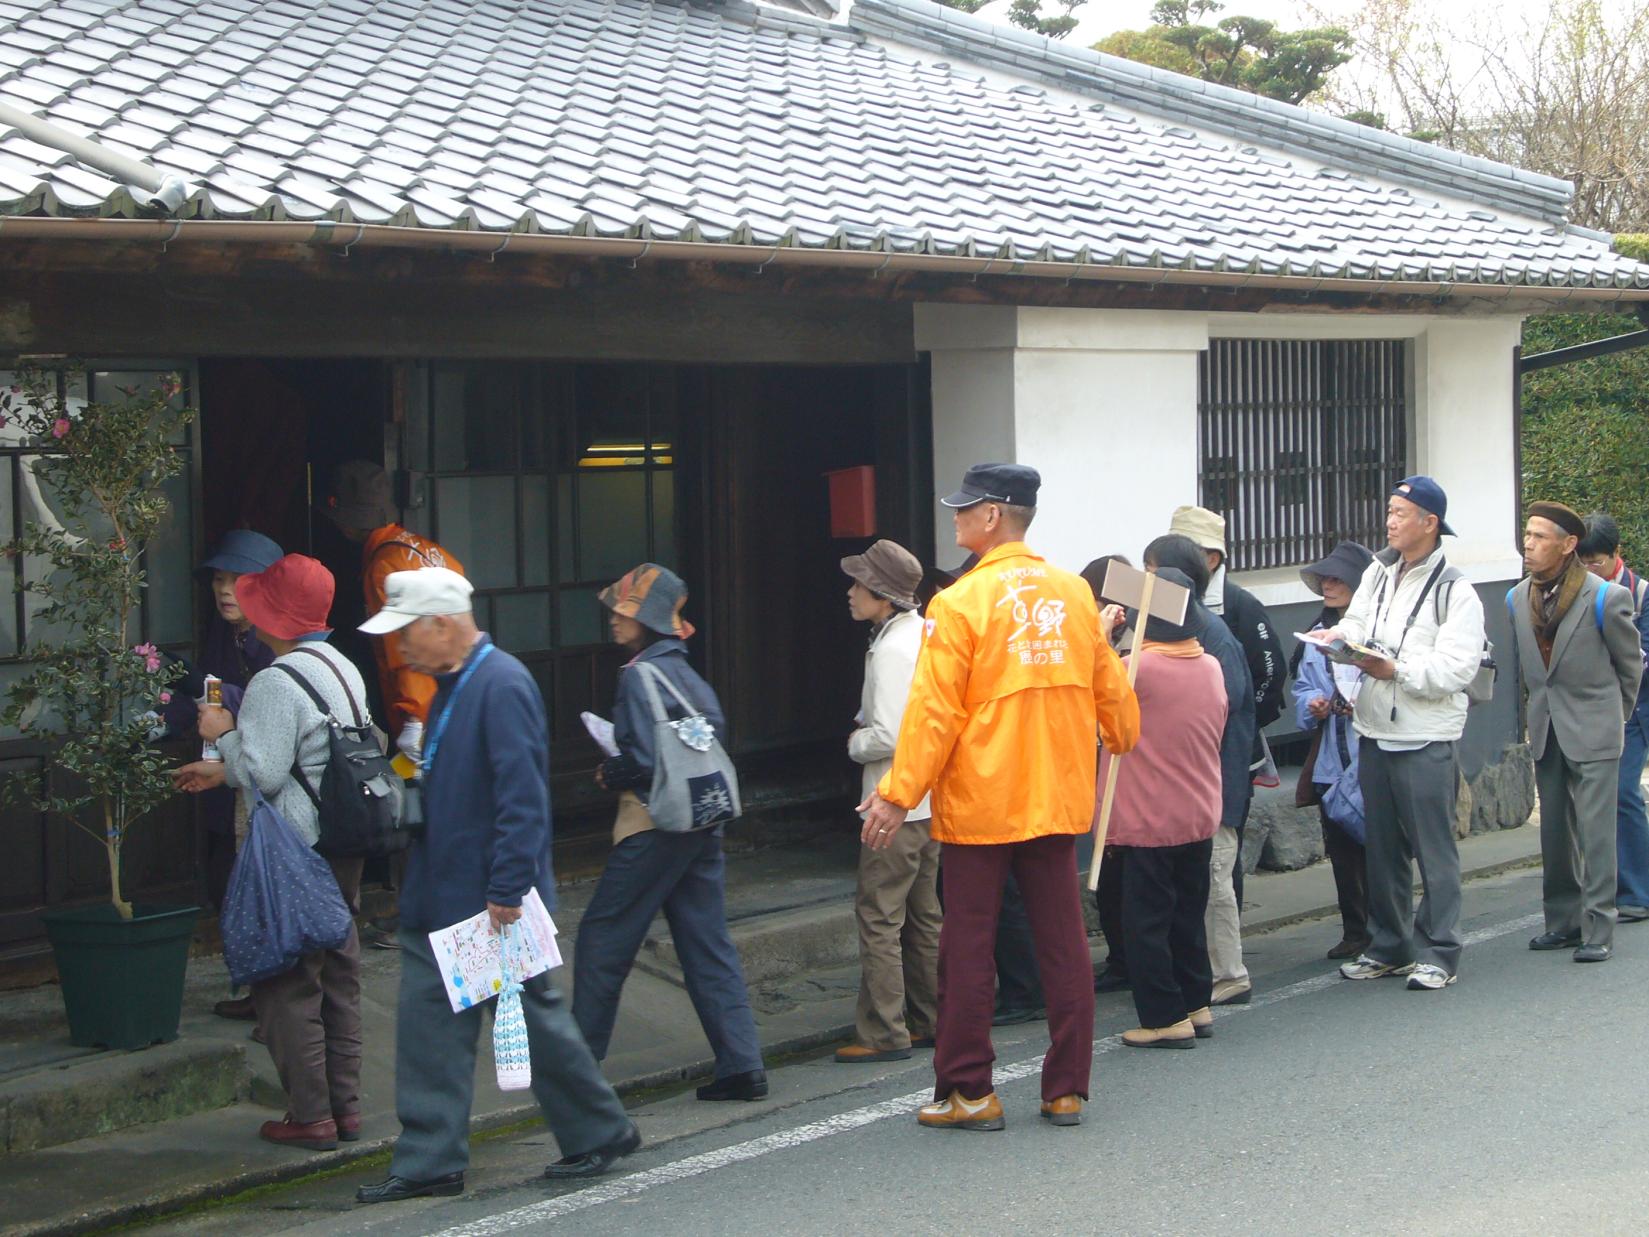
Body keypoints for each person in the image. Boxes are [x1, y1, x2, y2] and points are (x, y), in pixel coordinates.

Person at [861, 463, 1140, 1131]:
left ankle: (968, 1089)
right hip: (1055, 795)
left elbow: (934, 714)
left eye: (963, 509)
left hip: (982, 803)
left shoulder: (957, 603)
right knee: (1064, 942)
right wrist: (1115, 731)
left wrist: (898, 793)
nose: (953, 519)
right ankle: (1065, 1087)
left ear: (991, 516)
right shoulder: (1073, 594)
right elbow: (1118, 712)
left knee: (966, 948)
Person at [353, 567, 637, 1203]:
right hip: (449, 891)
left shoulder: (499, 682)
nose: (399, 648)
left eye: (407, 634)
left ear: (442, 624)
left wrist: (508, 889)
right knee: (437, 1027)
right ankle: (433, 1159)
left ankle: (594, 1131)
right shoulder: (460, 681)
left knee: (528, 1020)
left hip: (486, 897)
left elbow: (523, 798)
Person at [172, 554, 369, 1151]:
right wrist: (221, 768)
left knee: (286, 981)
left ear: (273, 616)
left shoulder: (275, 681)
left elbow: (262, 768)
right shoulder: (342, 665)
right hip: (344, 842)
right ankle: (347, 1107)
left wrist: (221, 733)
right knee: (339, 975)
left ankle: (311, 1115)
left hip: (294, 848)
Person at [573, 564, 768, 1102]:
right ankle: (742, 1064)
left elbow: (641, 761)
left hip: (652, 826)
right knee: (706, 942)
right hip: (702, 822)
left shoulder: (639, 676)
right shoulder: (690, 675)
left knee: (601, 938)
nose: (614, 620)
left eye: (624, 612)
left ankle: (578, 1078)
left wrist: (610, 770)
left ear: (648, 622)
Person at [1324, 476, 1486, 992]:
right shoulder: (1377, 572)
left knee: (1433, 849)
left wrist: (1395, 671)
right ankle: (1389, 946)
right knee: (1383, 847)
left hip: (1425, 735)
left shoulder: (1455, 591)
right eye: (1389, 511)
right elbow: (1355, 622)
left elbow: (1456, 669)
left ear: (1429, 522)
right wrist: (1338, 639)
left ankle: (1440, 950)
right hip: (1374, 727)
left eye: (1400, 512)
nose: (1390, 521)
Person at [317, 461, 466, 949]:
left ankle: (419, 917)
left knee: (410, 807)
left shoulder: (385, 564)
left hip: (418, 716)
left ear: (348, 520)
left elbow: (407, 649)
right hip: (450, 700)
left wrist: (412, 719)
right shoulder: (429, 551)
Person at [1508, 502, 1644, 963]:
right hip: (1547, 726)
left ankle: (1599, 926)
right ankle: (1562, 923)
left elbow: (1630, 667)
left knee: (1596, 831)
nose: (1529, 544)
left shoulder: (1604, 596)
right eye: (1527, 535)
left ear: (1568, 546)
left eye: (1540, 537)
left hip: (1596, 727)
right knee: (1555, 835)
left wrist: (1614, 717)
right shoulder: (1516, 597)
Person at [1098, 567, 1227, 1048]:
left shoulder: (1139, 668)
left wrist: (1100, 636)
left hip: (1147, 817)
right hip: (1196, 812)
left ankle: (1162, 1017)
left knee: (1145, 922)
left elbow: (1098, 697)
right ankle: (1196, 1005)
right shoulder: (1209, 664)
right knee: (1186, 916)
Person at [837, 540, 941, 1063]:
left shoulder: (894, 647)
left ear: (882, 594)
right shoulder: (923, 633)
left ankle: (884, 1030)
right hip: (927, 800)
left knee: (879, 914)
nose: (851, 593)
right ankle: (930, 1018)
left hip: (893, 800)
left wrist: (855, 743)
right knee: (924, 915)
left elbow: (892, 733)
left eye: (858, 584)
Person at [161, 530, 281, 977]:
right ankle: (255, 988)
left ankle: (269, 997)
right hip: (222, 775)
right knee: (227, 881)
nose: (225, 590)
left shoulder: (280, 640)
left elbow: (266, 701)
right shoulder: (222, 629)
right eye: (219, 579)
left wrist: (204, 687)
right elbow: (205, 695)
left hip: (267, 780)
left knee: (261, 890)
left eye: (238, 580)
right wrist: (155, 722)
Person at [1143, 535, 1255, 1006]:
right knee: (1198, 886)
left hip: (1213, 778)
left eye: (1150, 572)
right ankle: (1200, 978)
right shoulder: (1178, 628)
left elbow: (1223, 712)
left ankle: (1228, 971)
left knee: (1214, 882)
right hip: (1196, 780)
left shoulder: (1211, 636)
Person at [1292, 541, 1376, 960]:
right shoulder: (1314, 636)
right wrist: (1314, 704)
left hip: (1372, 756)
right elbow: (1303, 687)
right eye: (1324, 578)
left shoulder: (1378, 631)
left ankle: (1386, 926)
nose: (1327, 584)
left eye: (1336, 578)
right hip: (1330, 759)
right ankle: (1355, 930)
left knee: (1378, 847)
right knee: (1341, 851)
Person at [1577, 512, 1649, 923]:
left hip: (1633, 706)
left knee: (1622, 793)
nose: (1590, 570)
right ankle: (1603, 888)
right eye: (1583, 562)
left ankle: (1637, 891)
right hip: (1587, 707)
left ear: (1617, 554)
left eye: (1597, 562)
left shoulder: (1640, 593)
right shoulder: (1572, 590)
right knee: (1592, 800)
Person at [1080, 554, 1135, 997]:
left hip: (1124, 766)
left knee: (1122, 871)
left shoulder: (1137, 639)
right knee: (1111, 870)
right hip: (1097, 767)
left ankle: (1127, 958)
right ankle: (1121, 955)